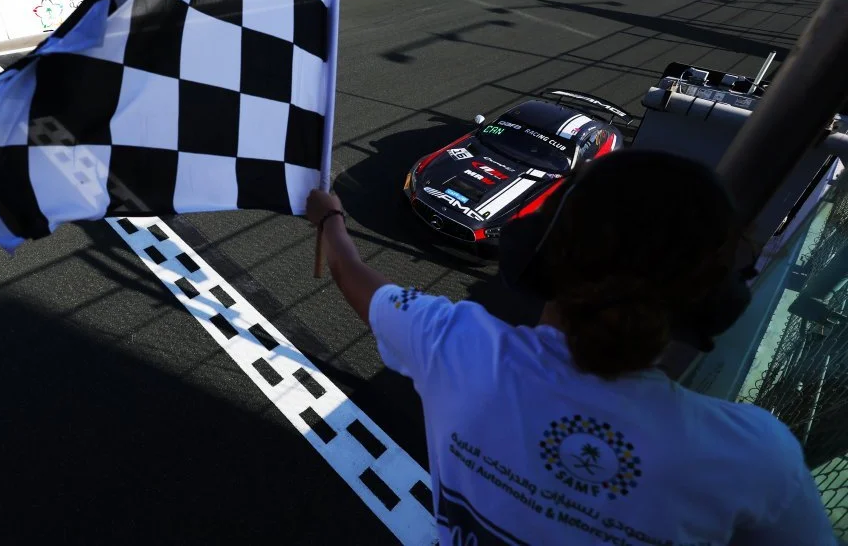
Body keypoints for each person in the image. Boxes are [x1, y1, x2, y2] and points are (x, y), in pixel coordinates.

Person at [305, 149, 837, 545]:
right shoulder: (758, 459)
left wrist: (330, 216)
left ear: (542, 251)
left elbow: (349, 272)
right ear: (710, 298)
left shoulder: (454, 345)